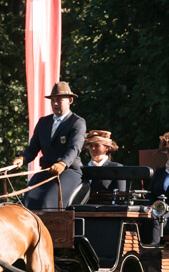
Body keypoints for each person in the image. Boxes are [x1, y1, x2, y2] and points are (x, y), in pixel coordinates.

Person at [12, 81, 86, 210]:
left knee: (47, 202)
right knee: (27, 199)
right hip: (47, 170)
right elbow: (33, 148)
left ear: (70, 101)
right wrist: (22, 159)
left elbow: (74, 148)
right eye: (53, 100)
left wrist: (62, 163)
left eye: (59, 100)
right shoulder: (43, 122)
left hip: (68, 171)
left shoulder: (77, 122)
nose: (55, 104)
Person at [82, 130, 125, 195]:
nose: (93, 148)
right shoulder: (83, 168)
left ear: (106, 148)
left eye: (97, 145)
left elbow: (120, 196)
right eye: (91, 146)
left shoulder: (116, 168)